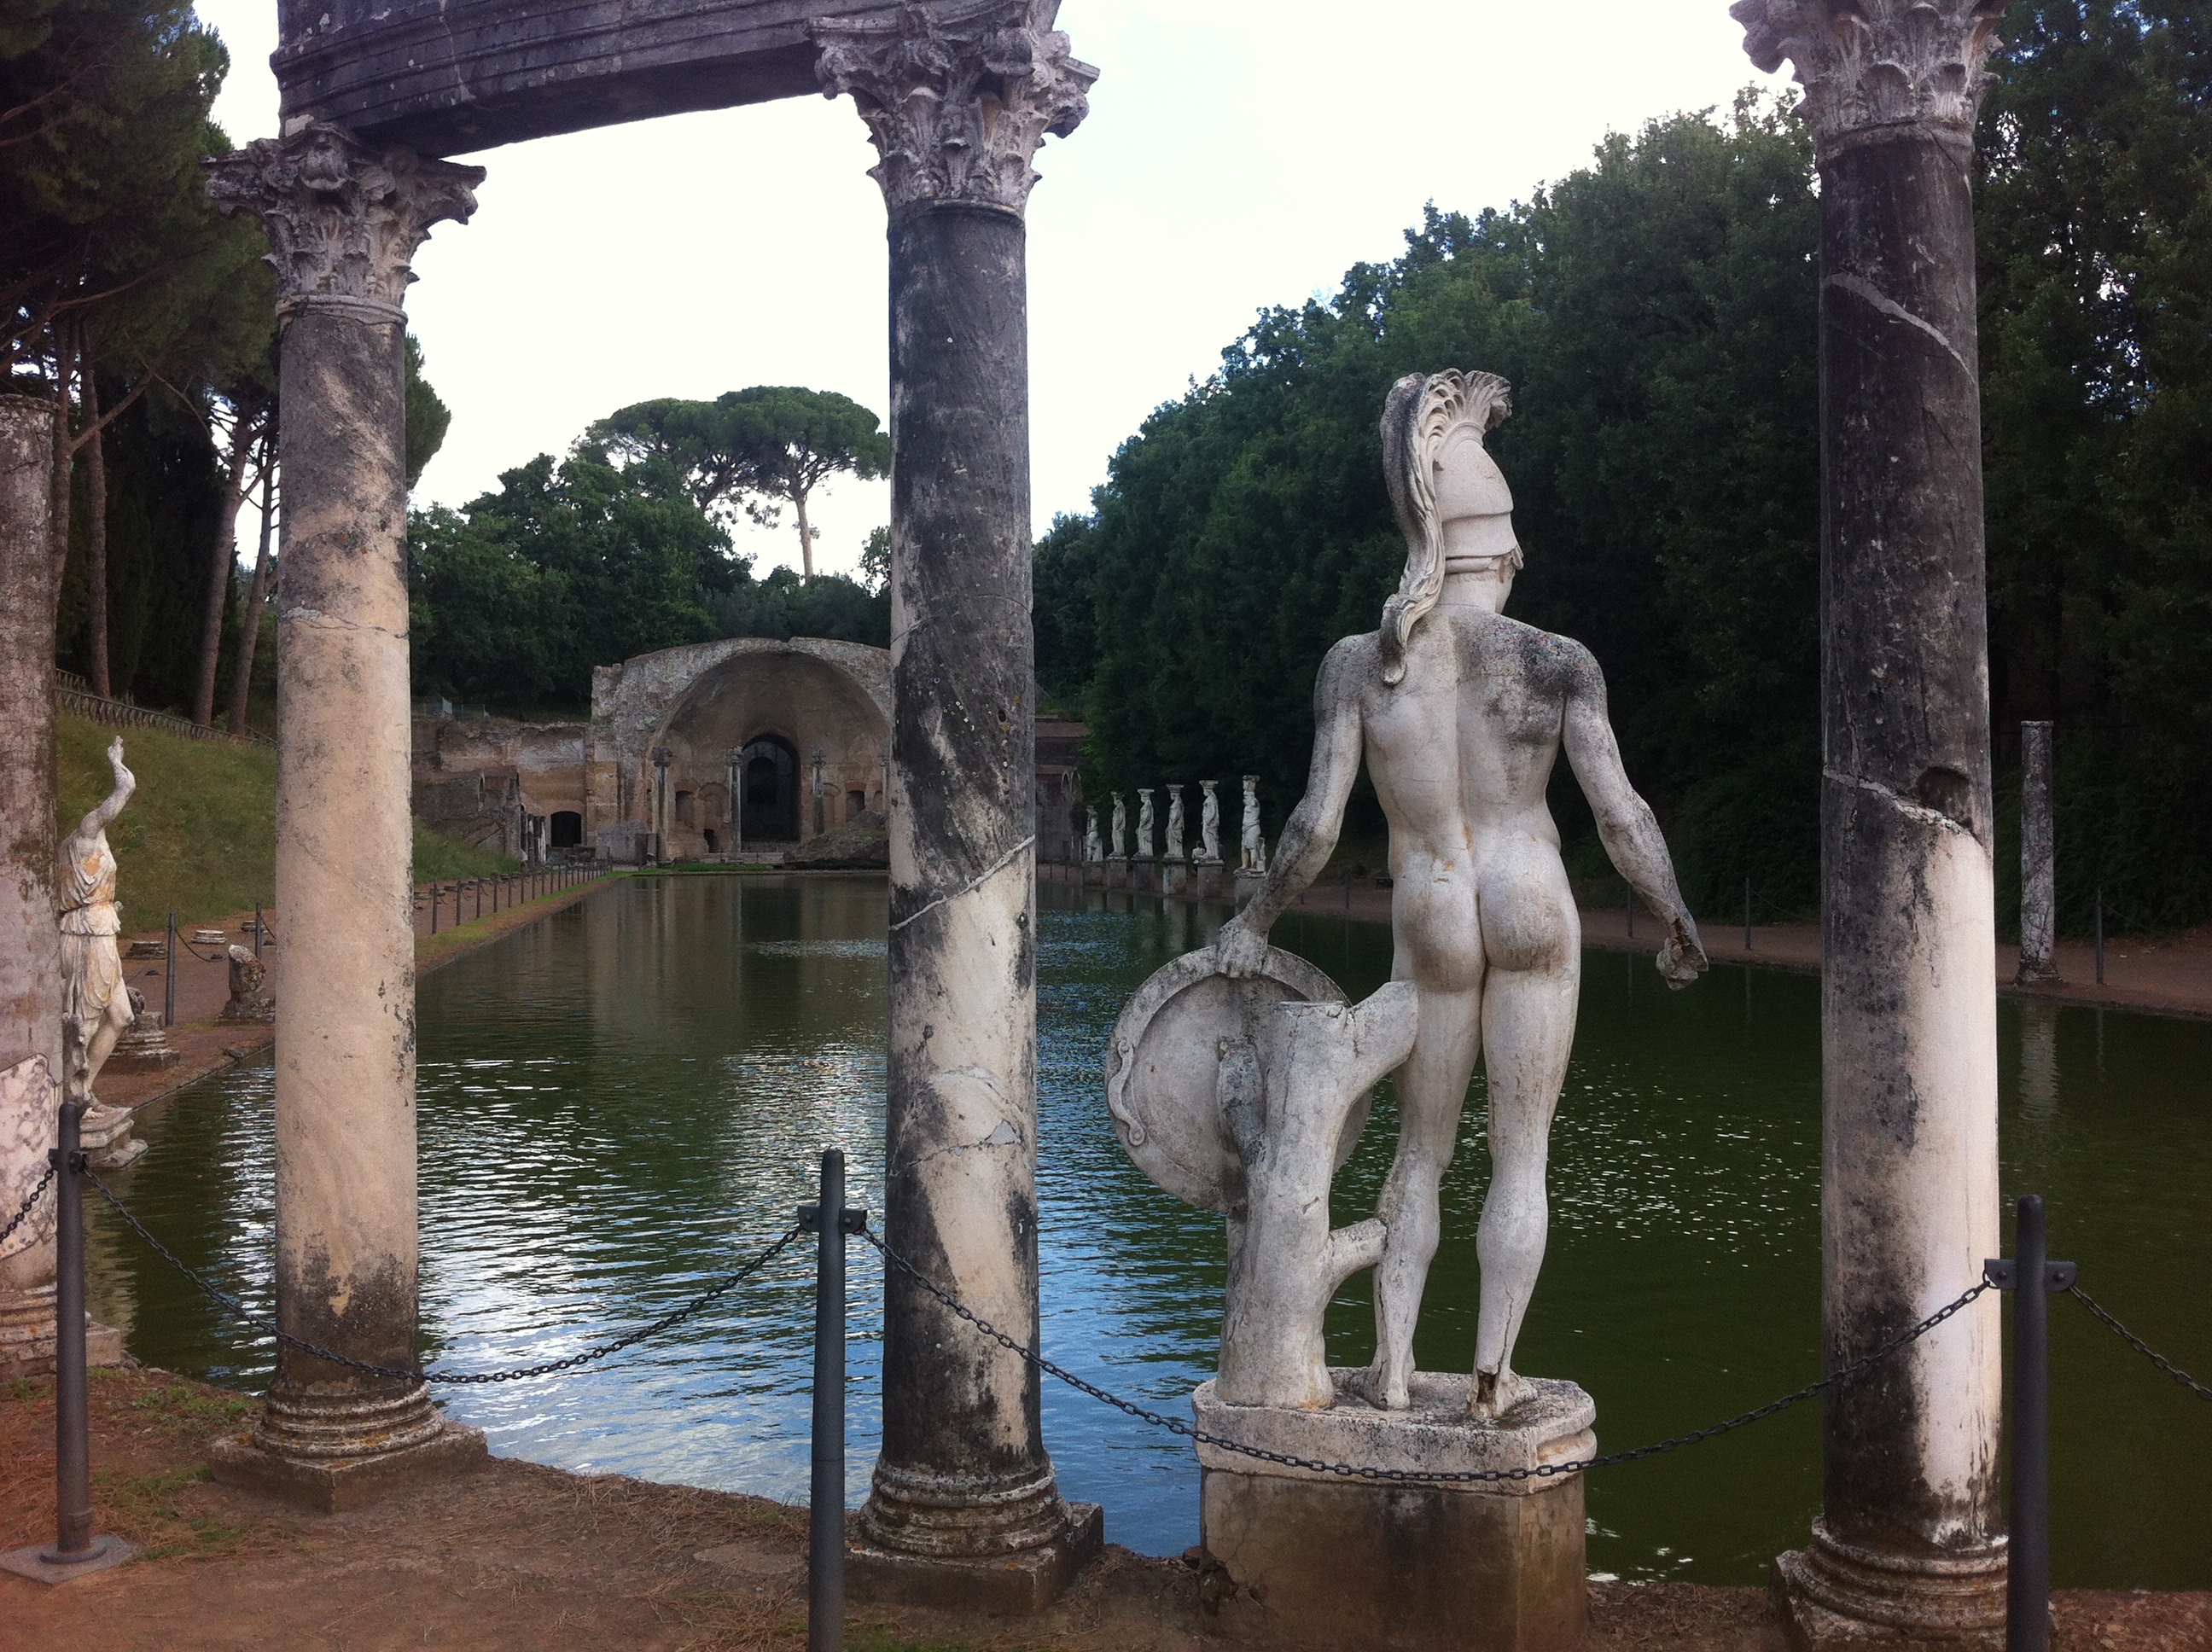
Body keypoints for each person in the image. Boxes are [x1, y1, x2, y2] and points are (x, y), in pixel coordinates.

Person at [1215, 369, 1707, 1416]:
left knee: (1421, 1153)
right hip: (1532, 900)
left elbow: (1313, 828)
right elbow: (1622, 816)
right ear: (1508, 550)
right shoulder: (1556, 662)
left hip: (1431, 904)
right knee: (1521, 1155)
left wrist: (1252, 921)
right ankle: (1491, 1382)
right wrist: (1673, 915)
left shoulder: (1360, 665)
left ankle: (1394, 1373)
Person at [58, 737, 137, 1106]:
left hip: (100, 926)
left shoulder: (86, 842)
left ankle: (83, 1090)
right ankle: (69, 1098)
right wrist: (116, 763)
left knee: (121, 1016)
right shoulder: (87, 832)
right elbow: (124, 790)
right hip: (89, 932)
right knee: (86, 1018)